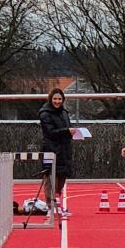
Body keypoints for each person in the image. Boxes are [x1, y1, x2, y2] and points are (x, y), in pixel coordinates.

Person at [39, 88, 76, 217]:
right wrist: (66, 131)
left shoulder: (64, 113)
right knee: (50, 179)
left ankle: (58, 205)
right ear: (50, 99)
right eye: (55, 99)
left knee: (61, 179)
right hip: (50, 150)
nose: (57, 101)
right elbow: (49, 132)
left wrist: (73, 133)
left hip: (64, 150)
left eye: (59, 99)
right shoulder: (45, 114)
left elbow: (68, 128)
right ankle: (50, 207)